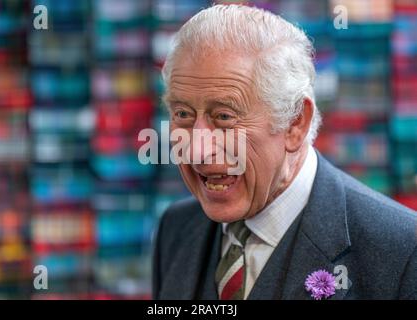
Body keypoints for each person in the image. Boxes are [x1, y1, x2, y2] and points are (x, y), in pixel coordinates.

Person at [152, 4, 417, 300]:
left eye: (224, 117)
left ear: (295, 123)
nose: (197, 150)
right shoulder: (175, 228)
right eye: (183, 114)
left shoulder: (402, 251)